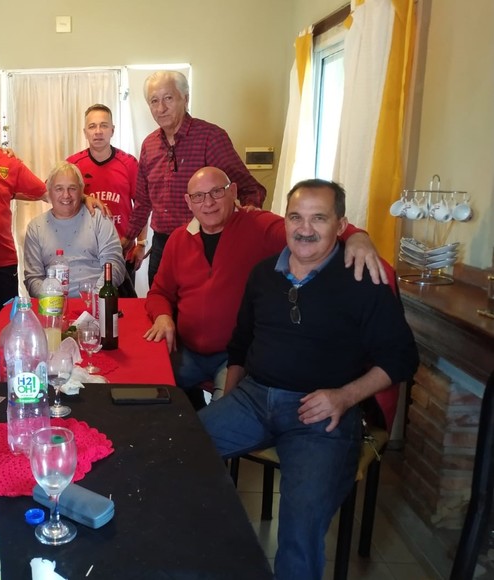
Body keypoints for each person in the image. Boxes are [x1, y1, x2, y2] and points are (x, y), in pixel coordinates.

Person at [200, 179, 419, 579]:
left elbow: (403, 358)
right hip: (252, 399)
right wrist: (227, 401)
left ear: (341, 225)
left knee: (300, 528)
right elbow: (240, 345)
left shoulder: (362, 280)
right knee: (174, 450)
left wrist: (344, 397)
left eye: (319, 218)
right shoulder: (263, 275)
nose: (304, 229)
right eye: (296, 217)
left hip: (322, 413)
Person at [144, 167, 387, 410]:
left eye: (217, 192)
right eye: (198, 196)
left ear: (233, 192)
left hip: (236, 357)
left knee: (219, 420)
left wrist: (357, 236)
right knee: (148, 398)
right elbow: (159, 293)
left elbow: (306, 230)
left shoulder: (259, 225)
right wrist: (163, 316)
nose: (208, 203)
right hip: (186, 351)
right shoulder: (179, 239)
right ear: (188, 202)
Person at [124, 70, 267, 286]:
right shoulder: (149, 145)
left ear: (186, 98)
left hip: (204, 243)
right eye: (154, 101)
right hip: (162, 245)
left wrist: (246, 222)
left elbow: (250, 189)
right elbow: (143, 202)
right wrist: (127, 240)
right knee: (159, 302)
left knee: (202, 304)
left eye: (168, 98)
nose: (161, 108)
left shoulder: (211, 137)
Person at [67, 104, 146, 290]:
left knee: (123, 305)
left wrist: (141, 244)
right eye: (92, 126)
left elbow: (142, 205)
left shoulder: (129, 163)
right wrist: (83, 197)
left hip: (123, 251)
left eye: (103, 125)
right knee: (87, 305)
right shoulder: (73, 165)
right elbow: (53, 194)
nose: (98, 131)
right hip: (84, 255)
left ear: (112, 130)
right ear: (85, 132)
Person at [23, 161, 125, 298]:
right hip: (53, 304)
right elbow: (33, 278)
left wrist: (96, 298)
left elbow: (114, 264)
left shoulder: (99, 218)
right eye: (59, 189)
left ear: (82, 191)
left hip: (97, 300)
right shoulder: (35, 228)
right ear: (49, 192)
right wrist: (53, 300)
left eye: (72, 188)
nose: (66, 195)